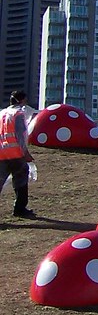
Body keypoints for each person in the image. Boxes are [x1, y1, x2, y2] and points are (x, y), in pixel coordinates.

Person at [0, 90, 36, 219]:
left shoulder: (1, 113)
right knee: (20, 180)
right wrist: (25, 152)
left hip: (2, 154)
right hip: (15, 153)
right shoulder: (18, 114)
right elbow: (20, 135)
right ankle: (20, 209)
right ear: (21, 101)